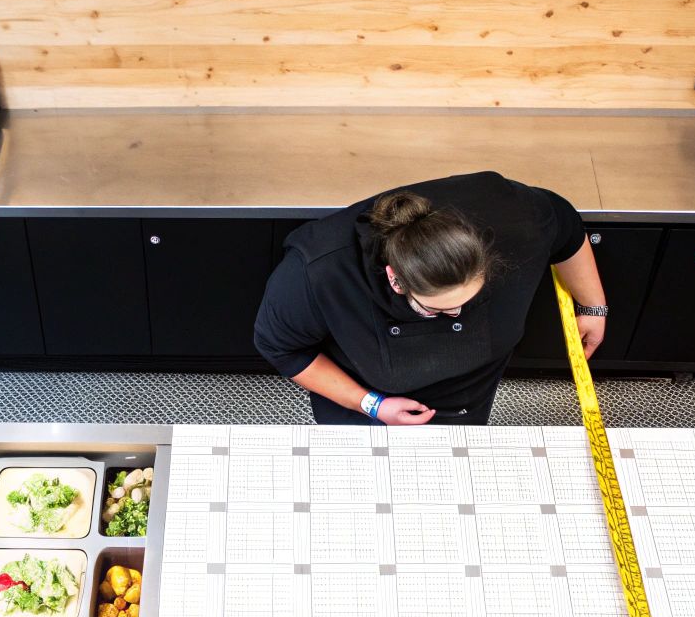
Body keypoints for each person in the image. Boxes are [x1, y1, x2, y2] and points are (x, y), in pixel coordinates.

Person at [254, 171, 607, 426]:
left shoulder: (514, 215)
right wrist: (371, 405)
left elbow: (566, 227)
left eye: (470, 299)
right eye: (438, 308)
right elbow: (283, 349)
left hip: (471, 402)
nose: (458, 313)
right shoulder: (317, 271)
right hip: (365, 410)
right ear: (396, 280)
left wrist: (593, 307)